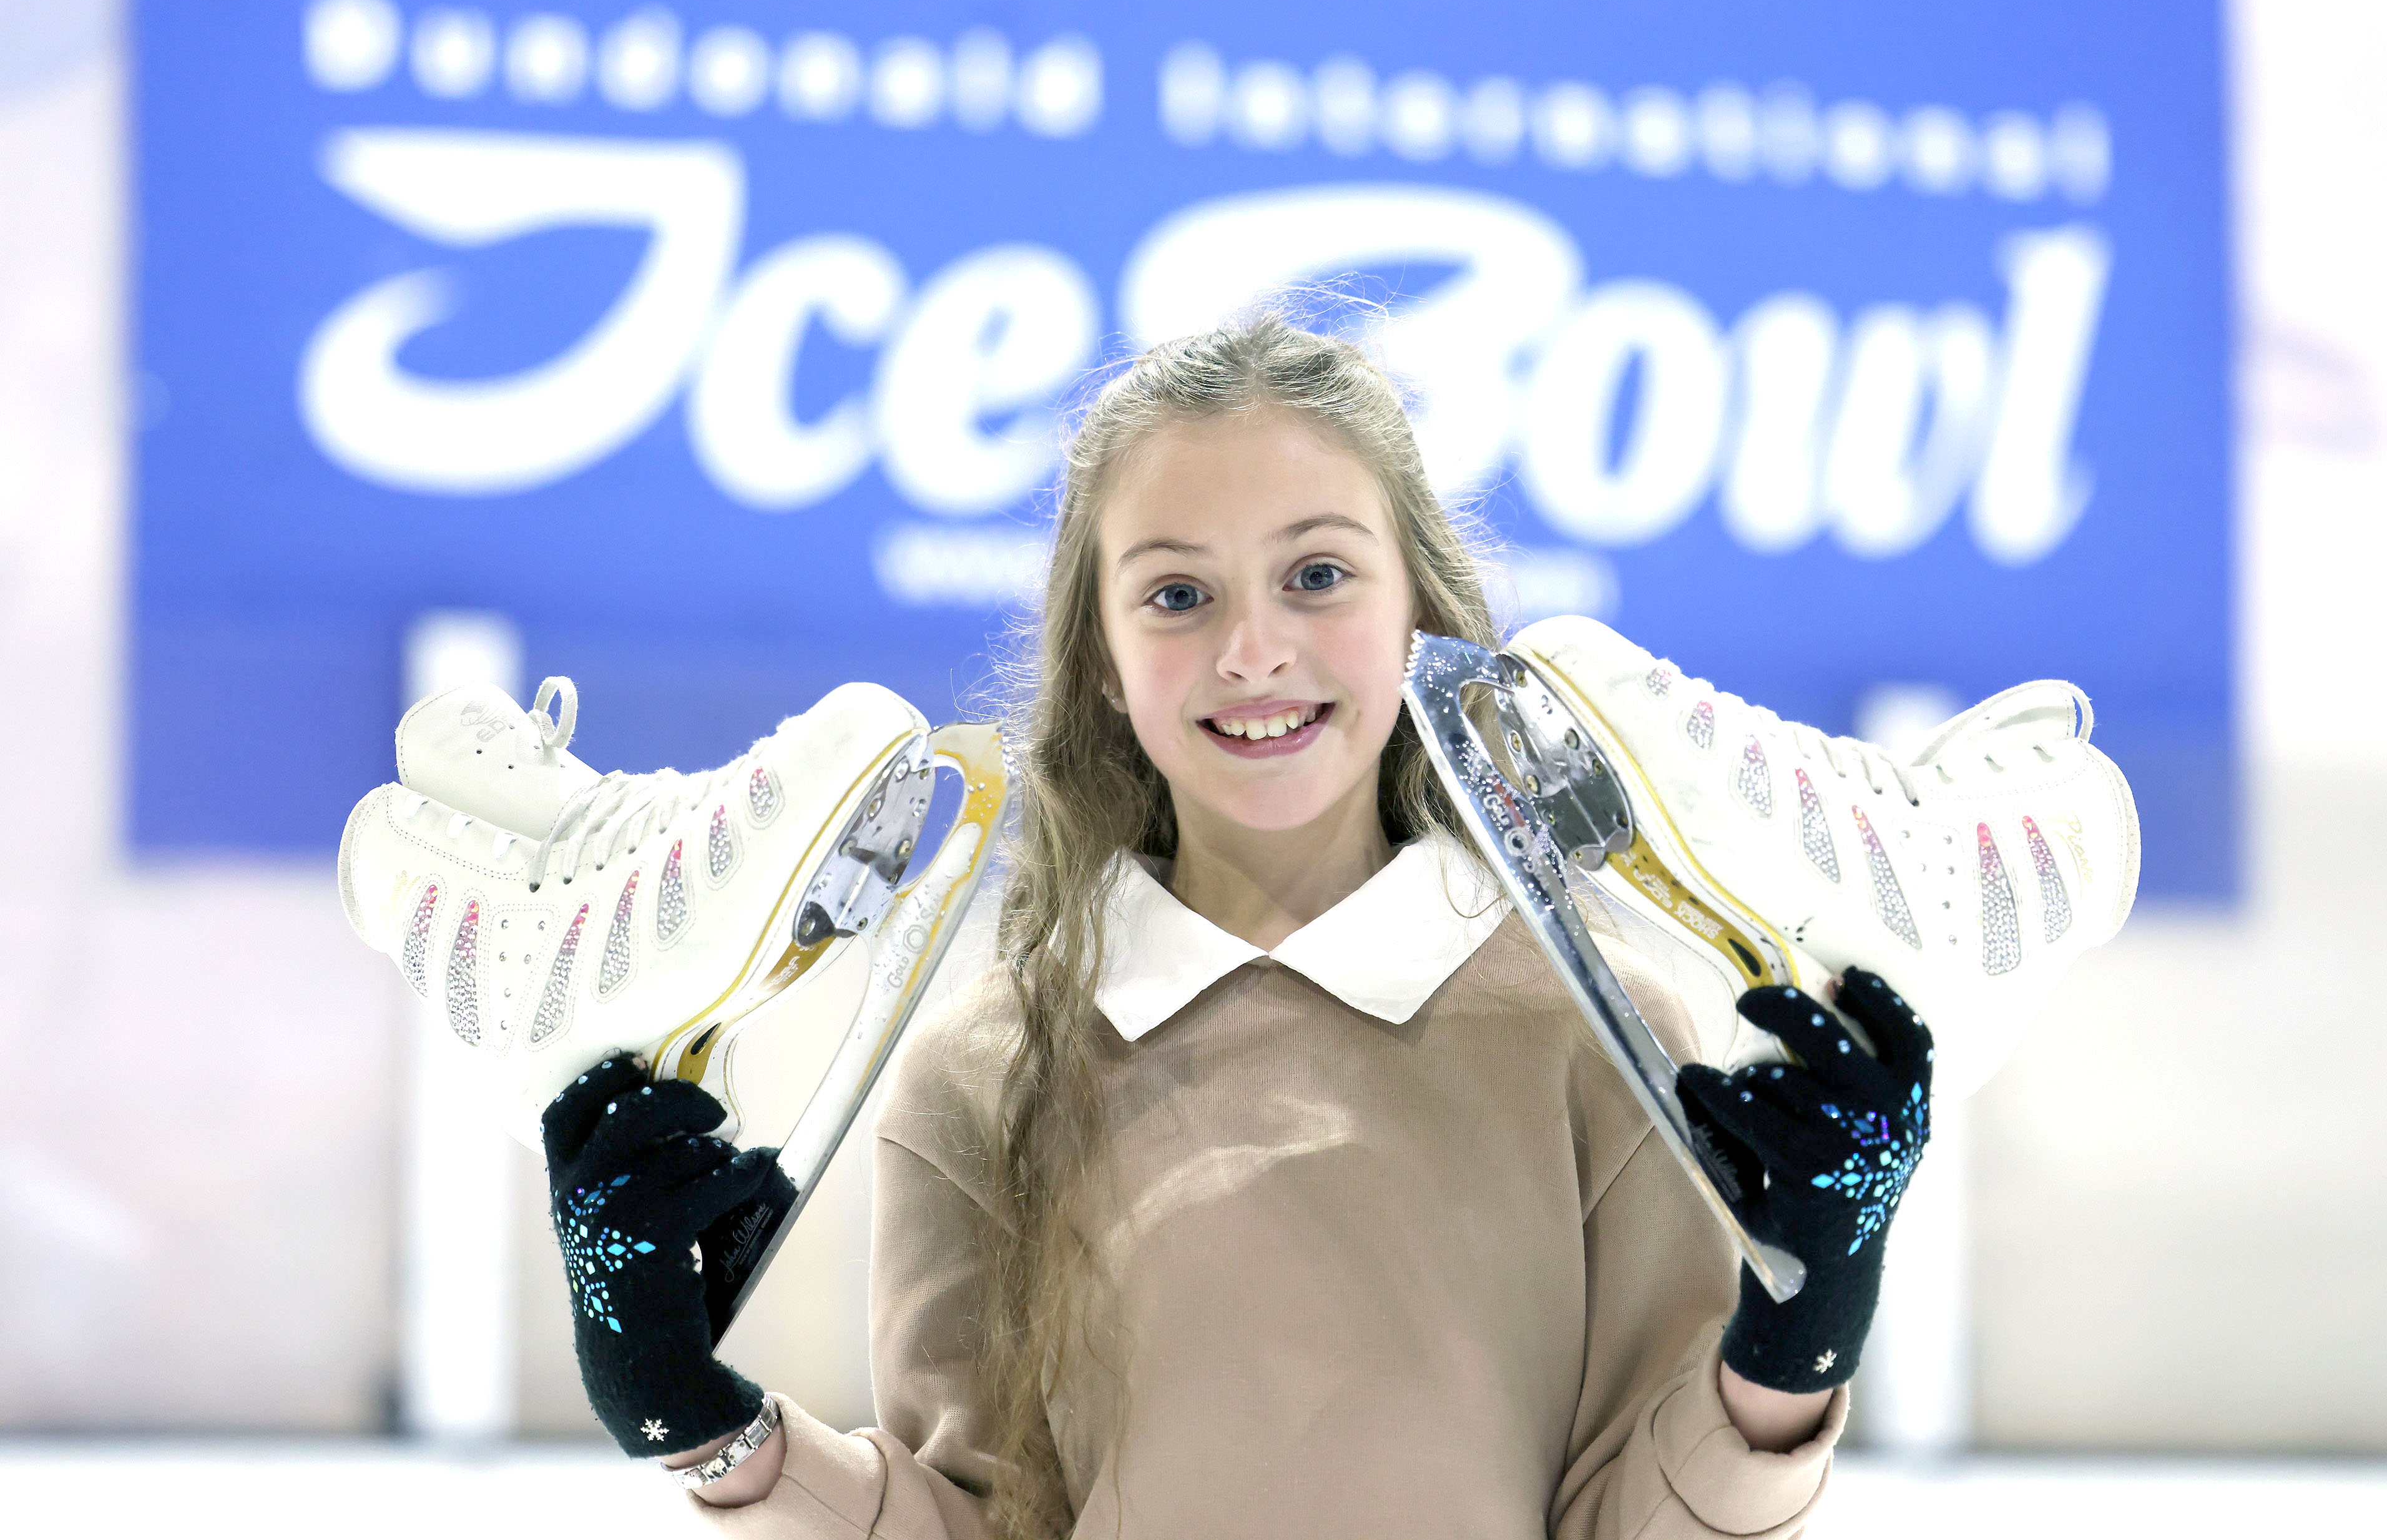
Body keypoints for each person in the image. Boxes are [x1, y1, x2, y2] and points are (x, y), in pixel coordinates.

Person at [544, 314, 1934, 1537]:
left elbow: (1639, 1515)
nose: (1253, 650)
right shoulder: (983, 1072)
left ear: (1419, 609)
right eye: (1176, 595)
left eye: (1316, 575)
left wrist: (1795, 1342)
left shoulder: (1601, 1036)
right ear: (1100, 659)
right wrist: (702, 1425)